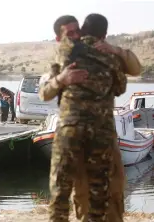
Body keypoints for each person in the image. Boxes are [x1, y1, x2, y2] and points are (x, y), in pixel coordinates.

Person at [39, 14, 141, 222]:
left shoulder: (65, 54)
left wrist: (115, 50)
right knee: (101, 192)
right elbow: (123, 84)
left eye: (79, 31)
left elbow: (44, 91)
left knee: (70, 191)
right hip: (102, 134)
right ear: (104, 34)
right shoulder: (108, 58)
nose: (76, 36)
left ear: (84, 30)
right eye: (72, 33)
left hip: (74, 132)